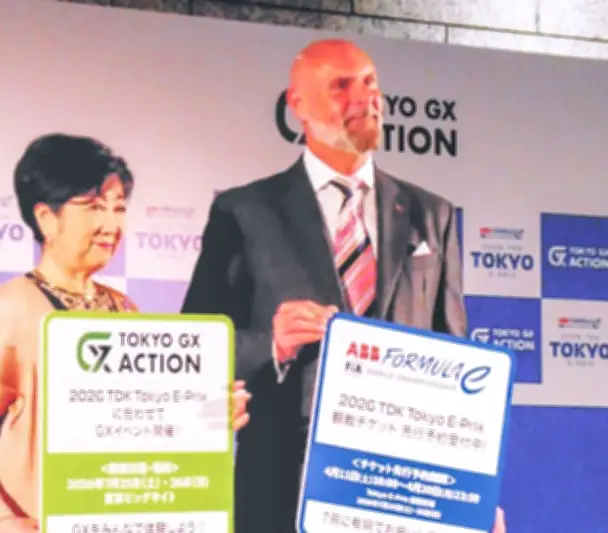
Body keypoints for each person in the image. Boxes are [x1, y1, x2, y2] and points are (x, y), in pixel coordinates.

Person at [180, 39, 506, 533]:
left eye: (370, 82)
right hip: (280, 489)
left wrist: (472, 499)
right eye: (340, 86)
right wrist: (273, 345)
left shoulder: (431, 213)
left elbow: (456, 359)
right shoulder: (244, 212)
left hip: (400, 490)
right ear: (299, 105)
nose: (365, 98)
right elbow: (196, 351)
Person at [0, 134, 252, 533]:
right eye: (95, 207)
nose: (111, 225)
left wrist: (202, 418)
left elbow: (137, 429)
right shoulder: (11, 309)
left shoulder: (124, 309)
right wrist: (0, 523)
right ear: (46, 217)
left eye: (119, 207)